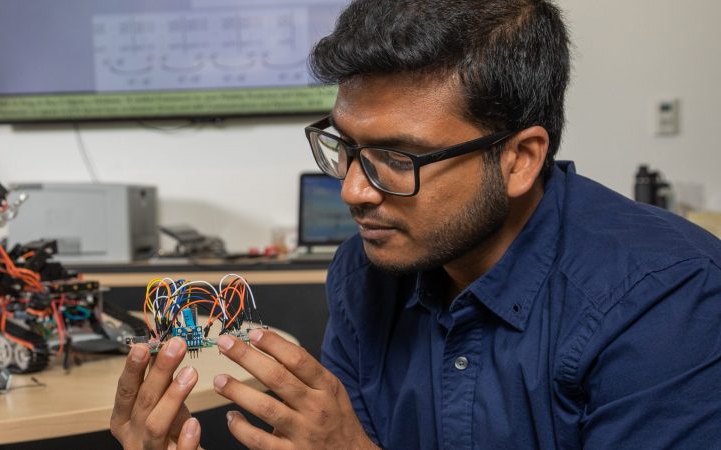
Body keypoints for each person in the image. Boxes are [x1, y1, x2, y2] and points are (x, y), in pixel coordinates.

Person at [111, 0, 721, 448]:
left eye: (397, 158)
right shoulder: (368, 268)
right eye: (343, 146)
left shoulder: (669, 297)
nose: (352, 189)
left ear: (519, 159)